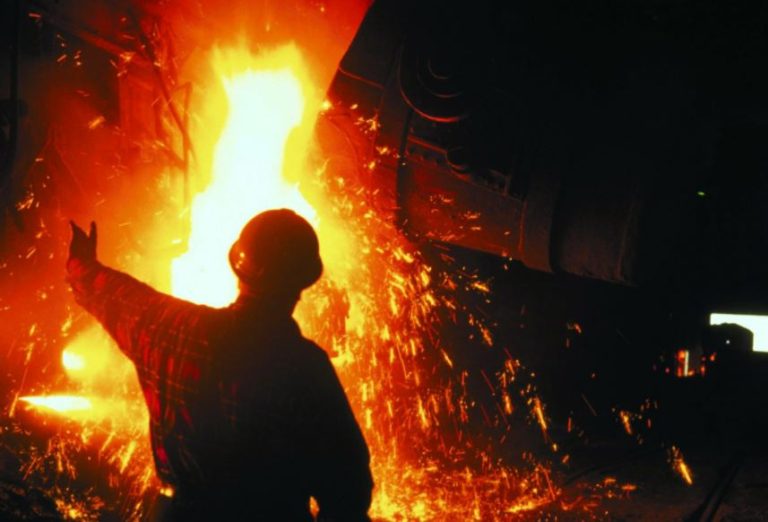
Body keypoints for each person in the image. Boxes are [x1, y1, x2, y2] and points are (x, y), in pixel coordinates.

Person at [67, 209, 373, 521]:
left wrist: (82, 264)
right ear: (300, 286)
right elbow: (347, 491)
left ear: (239, 271)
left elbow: (118, 296)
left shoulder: (171, 329)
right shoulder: (304, 369)